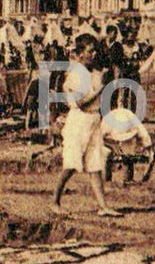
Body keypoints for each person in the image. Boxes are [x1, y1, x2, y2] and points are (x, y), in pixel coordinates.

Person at [52, 33, 121, 217]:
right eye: (90, 51)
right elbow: (81, 102)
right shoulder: (75, 74)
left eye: (95, 51)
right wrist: (100, 89)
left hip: (93, 121)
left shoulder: (95, 73)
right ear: (80, 53)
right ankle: (55, 201)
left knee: (95, 164)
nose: (93, 55)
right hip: (79, 121)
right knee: (72, 164)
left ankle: (103, 206)